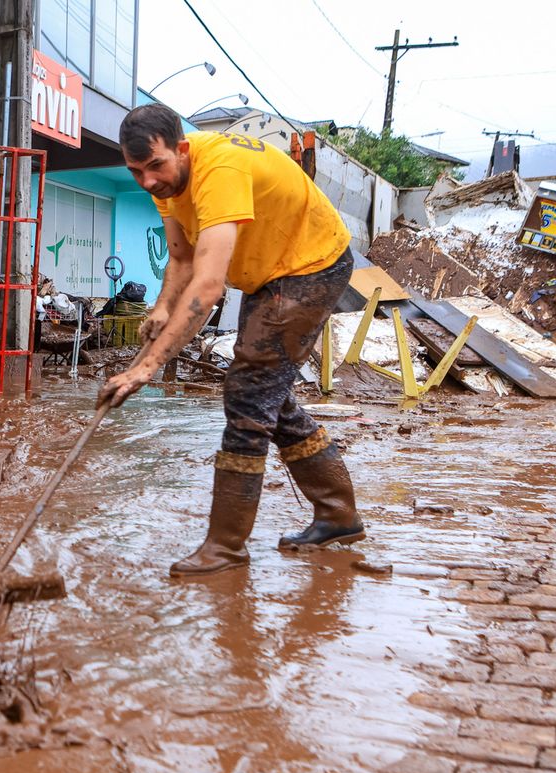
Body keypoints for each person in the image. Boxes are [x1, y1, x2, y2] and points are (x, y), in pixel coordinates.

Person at [102, 105, 364, 577]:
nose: (147, 182)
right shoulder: (168, 182)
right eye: (135, 171)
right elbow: (182, 259)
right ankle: (337, 515)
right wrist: (162, 307)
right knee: (265, 393)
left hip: (312, 265)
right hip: (269, 274)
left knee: (248, 395)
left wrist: (146, 368)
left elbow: (207, 288)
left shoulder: (217, 170)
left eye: (155, 166)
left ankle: (225, 546)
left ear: (181, 149)